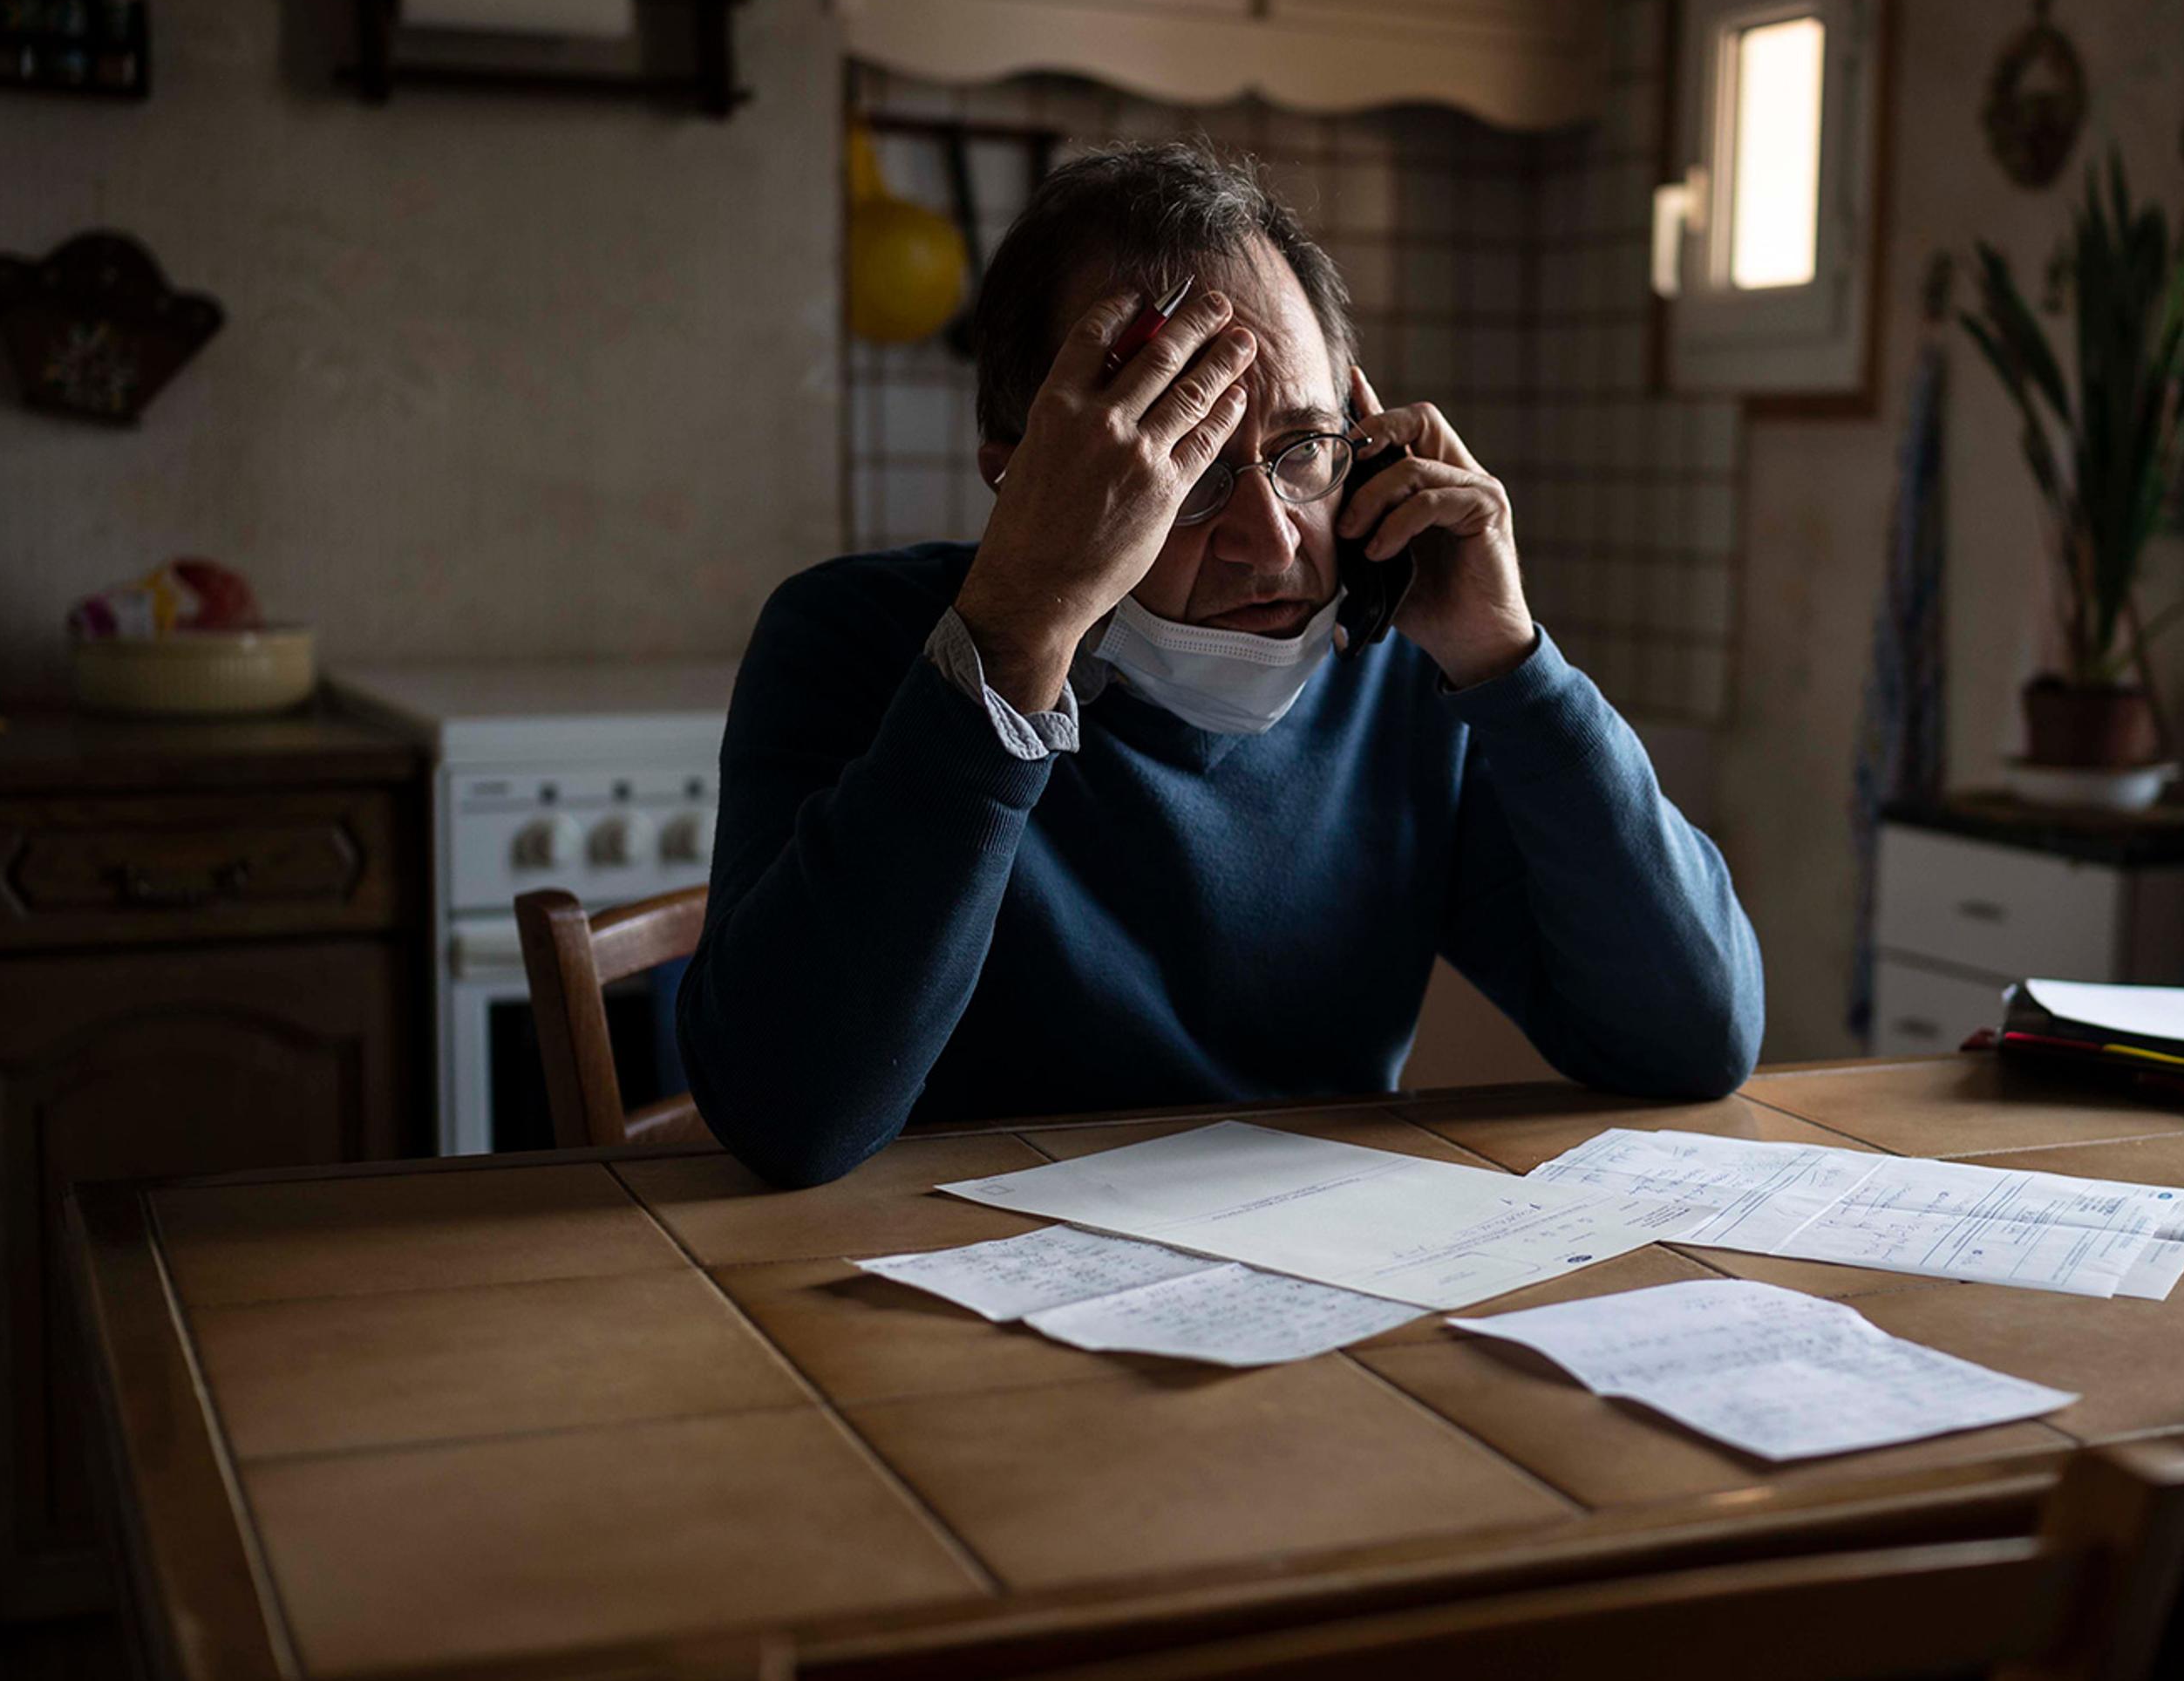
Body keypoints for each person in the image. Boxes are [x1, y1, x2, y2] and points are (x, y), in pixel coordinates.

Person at [679, 144, 1760, 1189]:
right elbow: (789, 1120)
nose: (1273, 540)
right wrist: (1010, 644)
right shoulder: (850, 641)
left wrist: (1513, 664)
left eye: (1303, 452)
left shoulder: (1399, 676)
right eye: (1180, 463)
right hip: (928, 1298)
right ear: (1028, 480)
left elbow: (1695, 1040)